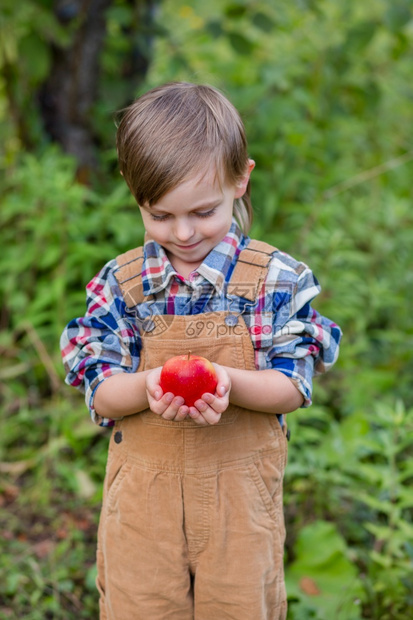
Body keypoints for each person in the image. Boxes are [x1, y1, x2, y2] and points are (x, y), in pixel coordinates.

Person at [60, 82, 342, 620]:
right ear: (133, 193)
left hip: (241, 511)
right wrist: (146, 386)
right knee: (140, 607)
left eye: (203, 211)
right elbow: (99, 385)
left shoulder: (276, 280)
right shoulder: (122, 285)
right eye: (159, 215)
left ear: (242, 179)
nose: (184, 233)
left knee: (240, 607)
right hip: (143, 510)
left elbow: (292, 385)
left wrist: (228, 382)